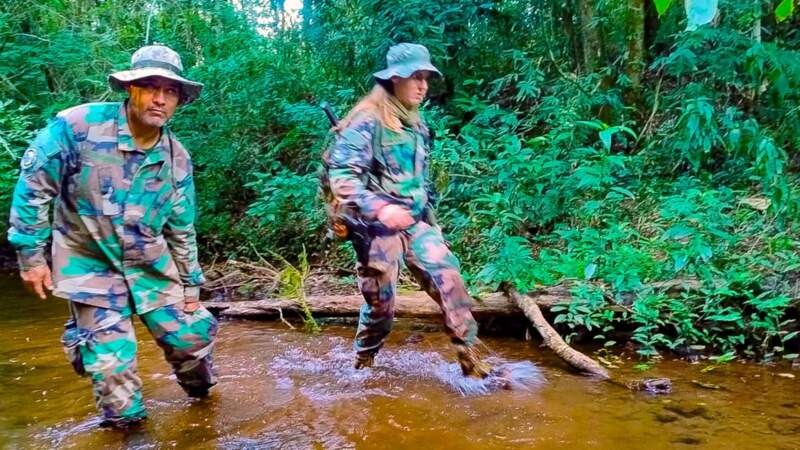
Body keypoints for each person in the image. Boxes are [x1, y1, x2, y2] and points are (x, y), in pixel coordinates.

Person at [7, 45, 217, 428]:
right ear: (129, 89)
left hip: (153, 268)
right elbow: (34, 186)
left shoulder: (177, 159)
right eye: (149, 86)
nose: (159, 98)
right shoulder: (78, 128)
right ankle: (127, 428)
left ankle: (203, 404)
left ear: (179, 100)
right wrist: (31, 256)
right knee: (115, 385)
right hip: (90, 269)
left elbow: (181, 227)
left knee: (192, 343)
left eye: (170, 91)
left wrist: (191, 286)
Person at [328, 43, 490, 377]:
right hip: (375, 229)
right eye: (415, 77)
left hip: (414, 223)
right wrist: (381, 209)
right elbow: (342, 178)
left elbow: (419, 184)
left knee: (450, 279)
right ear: (394, 80)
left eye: (426, 77)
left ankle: (472, 363)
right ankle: (362, 364)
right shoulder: (367, 121)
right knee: (382, 307)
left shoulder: (416, 125)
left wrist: (432, 223)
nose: (423, 85)